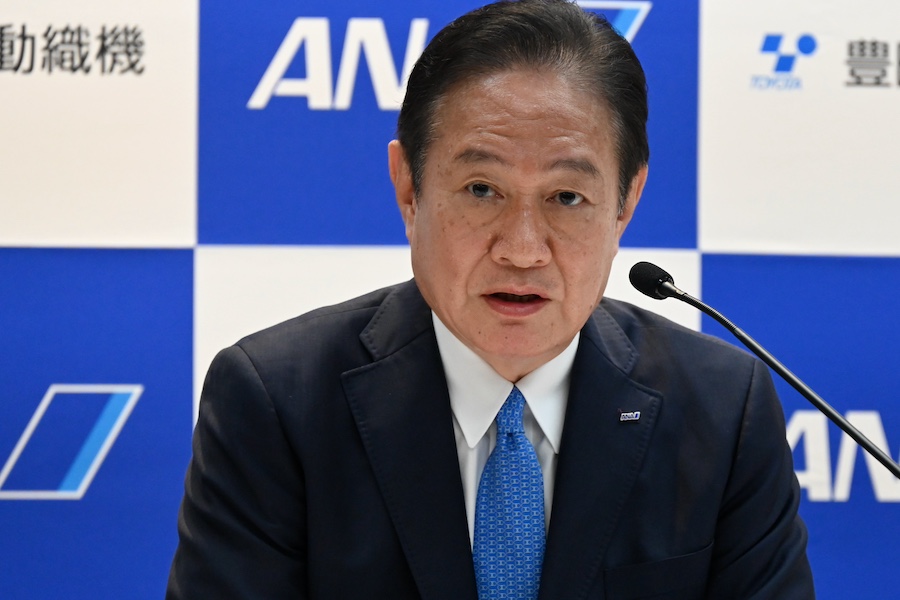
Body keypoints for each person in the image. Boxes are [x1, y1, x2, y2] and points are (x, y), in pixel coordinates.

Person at [167, 1, 815, 598]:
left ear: (626, 203)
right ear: (408, 189)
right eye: (482, 190)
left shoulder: (723, 410)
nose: (523, 249)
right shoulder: (278, 403)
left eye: (567, 198)